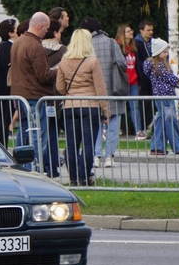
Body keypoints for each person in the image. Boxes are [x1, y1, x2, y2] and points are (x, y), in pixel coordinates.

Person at [56, 29, 108, 187]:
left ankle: (72, 178)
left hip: (70, 106)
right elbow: (100, 88)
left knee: (71, 144)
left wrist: (70, 93)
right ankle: (84, 177)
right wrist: (106, 110)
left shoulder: (64, 60)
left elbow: (59, 86)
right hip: (90, 106)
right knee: (88, 144)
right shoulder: (93, 61)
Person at [10, 12, 56, 173]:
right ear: (40, 26)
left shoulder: (18, 42)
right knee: (37, 137)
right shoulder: (35, 45)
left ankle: (21, 169)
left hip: (19, 95)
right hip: (35, 96)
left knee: (23, 136)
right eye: (47, 28)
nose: (47, 32)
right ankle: (33, 170)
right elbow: (44, 76)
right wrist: (59, 70)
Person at [80, 16, 126, 169]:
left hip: (93, 91)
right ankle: (109, 156)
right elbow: (122, 63)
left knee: (96, 125)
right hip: (113, 89)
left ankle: (97, 155)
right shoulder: (112, 43)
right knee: (113, 124)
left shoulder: (85, 45)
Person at [143, 38, 179, 156]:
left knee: (161, 120)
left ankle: (157, 146)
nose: (167, 54)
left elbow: (175, 74)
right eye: (164, 51)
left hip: (162, 97)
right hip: (164, 97)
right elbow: (170, 78)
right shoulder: (159, 66)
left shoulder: (162, 64)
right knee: (171, 121)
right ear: (157, 52)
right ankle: (178, 146)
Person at [41, 19, 68, 176]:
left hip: (40, 95)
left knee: (42, 132)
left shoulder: (37, 49)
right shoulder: (64, 51)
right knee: (52, 132)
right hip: (57, 97)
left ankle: (44, 163)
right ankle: (52, 166)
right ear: (56, 33)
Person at [0, 18, 18, 147]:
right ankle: (3, 145)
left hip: (3, 90)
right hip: (3, 90)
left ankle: (3, 144)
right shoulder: (6, 47)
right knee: (4, 119)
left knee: (6, 118)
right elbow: (9, 68)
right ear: (10, 33)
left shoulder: (8, 46)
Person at [116, 24, 145, 140]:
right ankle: (111, 129)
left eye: (131, 30)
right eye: (128, 31)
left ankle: (138, 130)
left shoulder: (134, 47)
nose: (131, 32)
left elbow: (137, 65)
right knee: (117, 106)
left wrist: (140, 81)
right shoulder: (118, 46)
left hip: (134, 81)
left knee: (135, 106)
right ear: (123, 34)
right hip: (122, 81)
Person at [135, 20, 156, 129]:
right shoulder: (137, 43)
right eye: (148, 30)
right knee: (144, 104)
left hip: (153, 77)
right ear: (141, 31)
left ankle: (153, 126)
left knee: (154, 103)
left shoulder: (154, 43)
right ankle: (143, 127)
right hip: (143, 78)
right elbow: (137, 62)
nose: (151, 32)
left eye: (152, 30)